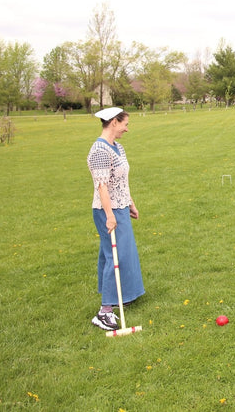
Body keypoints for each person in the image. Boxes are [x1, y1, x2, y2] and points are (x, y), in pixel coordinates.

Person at [87, 107, 145, 330]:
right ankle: (104, 312)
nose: (126, 129)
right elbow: (102, 186)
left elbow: (121, 181)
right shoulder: (100, 151)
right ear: (113, 122)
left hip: (120, 207)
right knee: (114, 256)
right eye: (125, 124)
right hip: (107, 210)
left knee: (122, 253)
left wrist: (130, 203)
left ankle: (120, 296)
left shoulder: (117, 147)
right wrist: (110, 216)